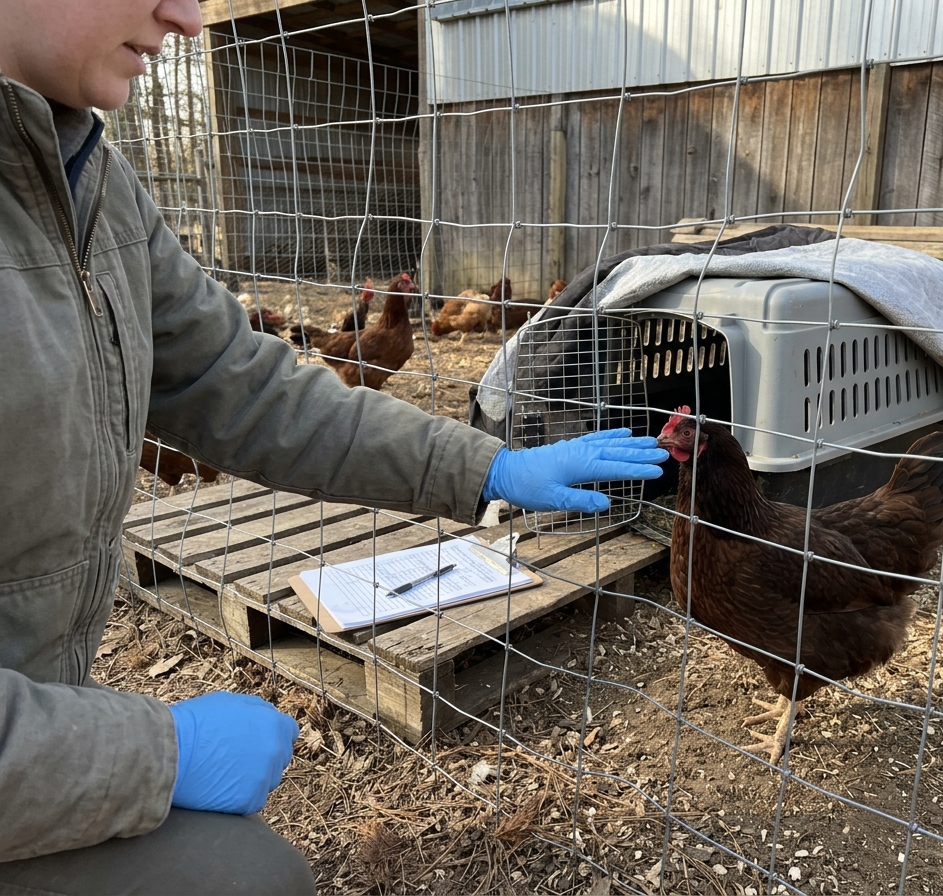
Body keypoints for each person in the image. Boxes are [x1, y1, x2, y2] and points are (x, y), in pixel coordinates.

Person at [0, 1, 668, 893]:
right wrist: (157, 751)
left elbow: (247, 384)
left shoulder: (88, 184)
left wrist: (488, 466)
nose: (190, 17)